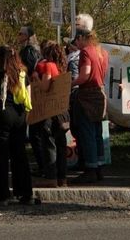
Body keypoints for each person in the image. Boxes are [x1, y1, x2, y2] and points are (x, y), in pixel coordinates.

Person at [0, 46, 33, 204]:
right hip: (19, 115)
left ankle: (2, 194)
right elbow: (28, 95)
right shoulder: (23, 74)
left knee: (1, 156)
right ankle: (25, 193)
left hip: (1, 115)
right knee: (20, 155)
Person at [70, 15, 108, 184]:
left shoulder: (86, 52)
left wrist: (70, 83)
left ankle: (90, 168)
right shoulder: (102, 51)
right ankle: (99, 167)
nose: (76, 44)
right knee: (97, 132)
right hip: (100, 93)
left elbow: (84, 75)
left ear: (81, 38)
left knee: (87, 133)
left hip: (87, 95)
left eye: (77, 40)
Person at [32, 41, 69, 186]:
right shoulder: (61, 66)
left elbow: (45, 86)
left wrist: (36, 77)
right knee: (61, 145)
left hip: (50, 112)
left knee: (49, 144)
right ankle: (62, 178)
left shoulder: (48, 66)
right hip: (62, 111)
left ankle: (51, 178)